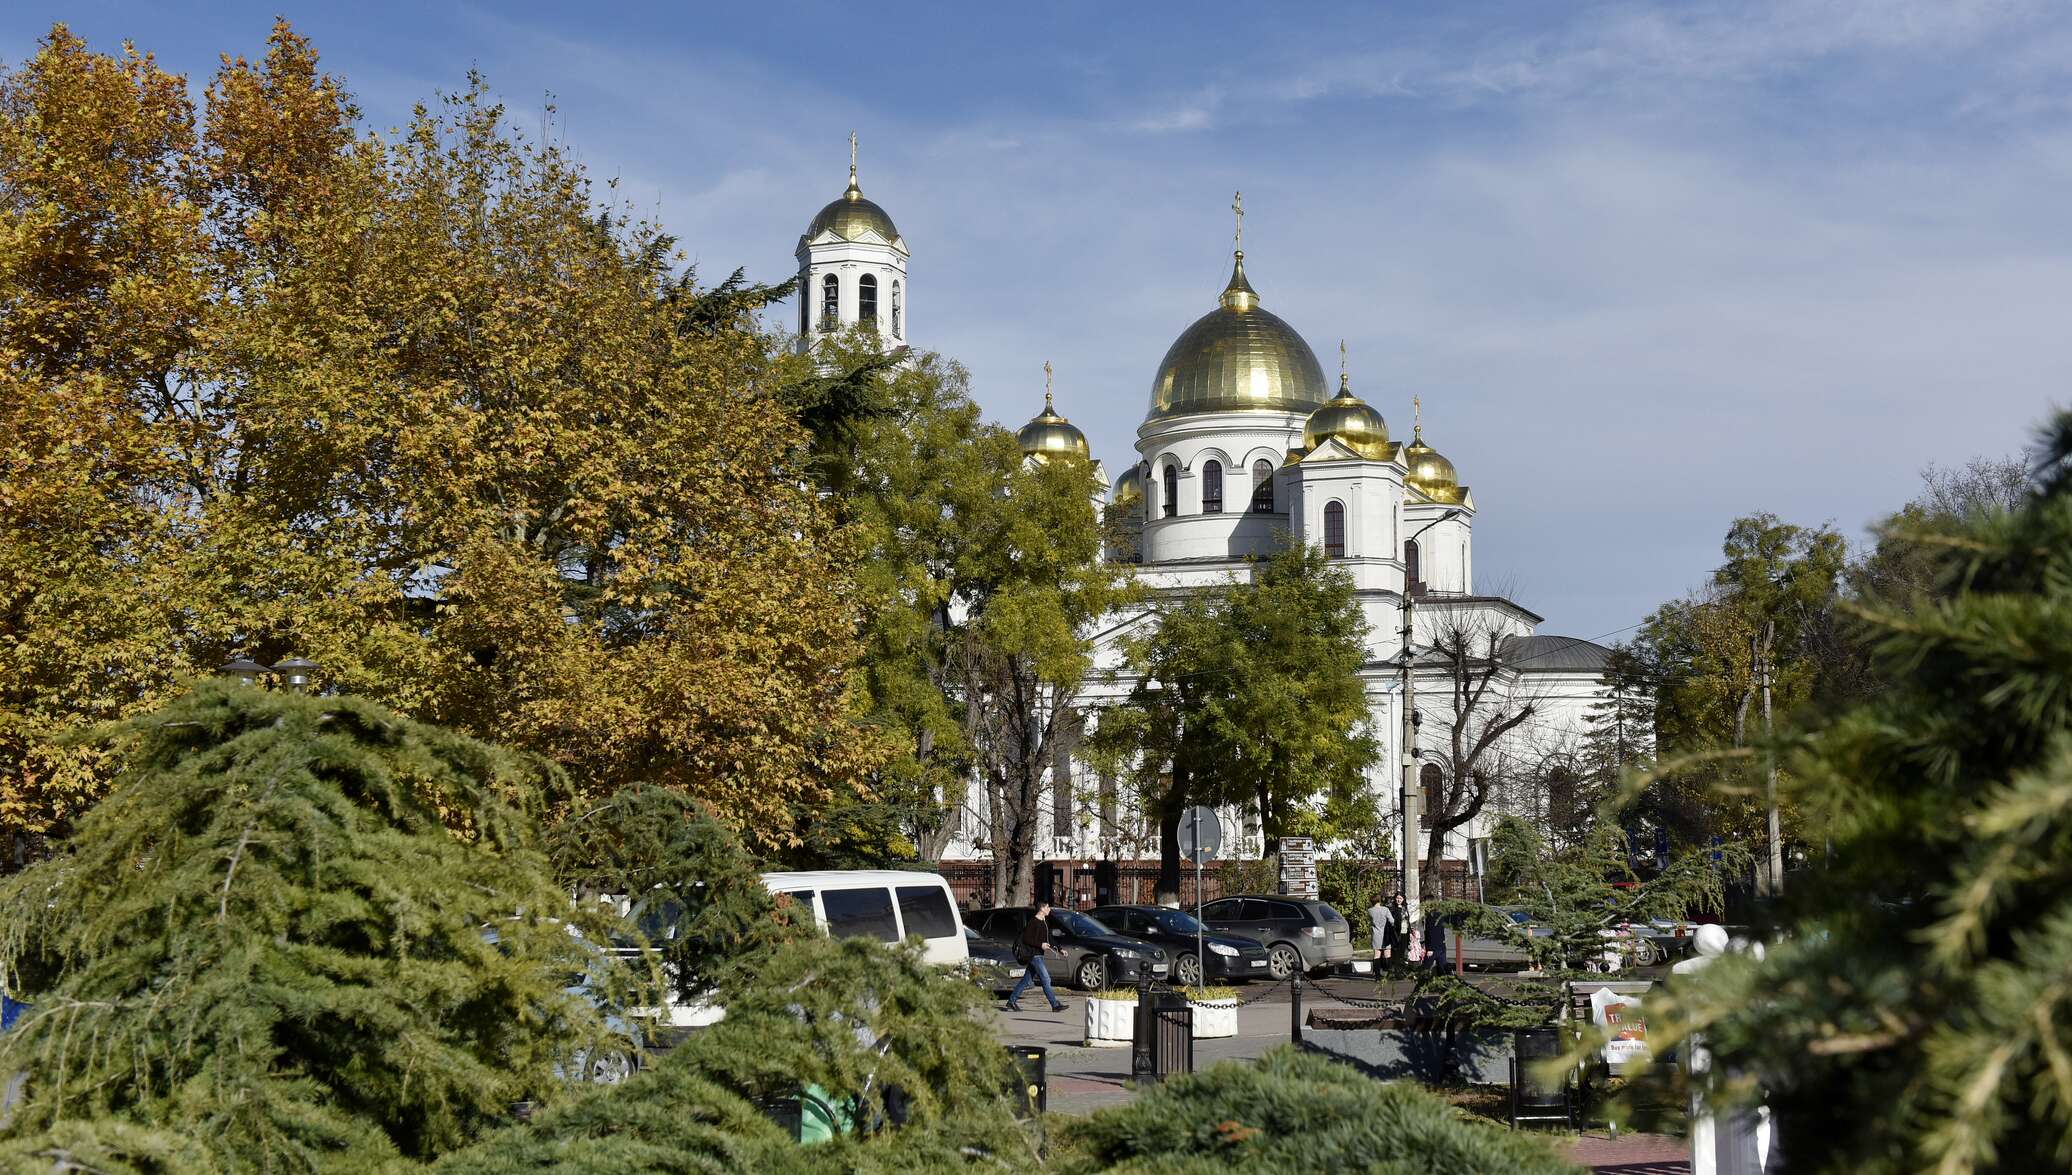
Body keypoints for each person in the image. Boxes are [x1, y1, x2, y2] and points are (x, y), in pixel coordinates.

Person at [1005, 903, 1068, 1013]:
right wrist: (1040, 945)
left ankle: (1011, 1001)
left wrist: (1060, 949)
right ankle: (1055, 1004)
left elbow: (1049, 939)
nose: (1049, 909)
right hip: (1034, 955)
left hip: (1039, 954)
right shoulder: (1033, 922)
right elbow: (1027, 939)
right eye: (1047, 907)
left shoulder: (1044, 922)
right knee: (1046, 979)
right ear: (1042, 908)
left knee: (1026, 980)